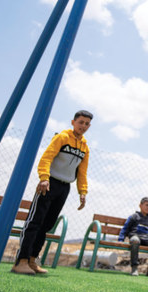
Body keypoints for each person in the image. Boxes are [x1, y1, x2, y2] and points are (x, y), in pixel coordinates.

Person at [12, 110, 93, 275]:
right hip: (49, 183)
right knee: (35, 222)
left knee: (47, 225)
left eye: (86, 124)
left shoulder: (85, 148)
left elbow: (82, 172)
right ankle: (21, 261)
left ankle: (33, 260)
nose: (83, 126)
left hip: (64, 188)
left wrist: (82, 191)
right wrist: (44, 178)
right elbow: (46, 158)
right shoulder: (62, 138)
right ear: (73, 122)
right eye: (81, 122)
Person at [118, 196, 148, 277]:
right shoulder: (134, 216)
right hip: (135, 236)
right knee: (135, 241)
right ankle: (134, 268)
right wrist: (121, 239)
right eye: (146, 205)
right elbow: (125, 228)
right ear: (140, 205)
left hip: (146, 238)